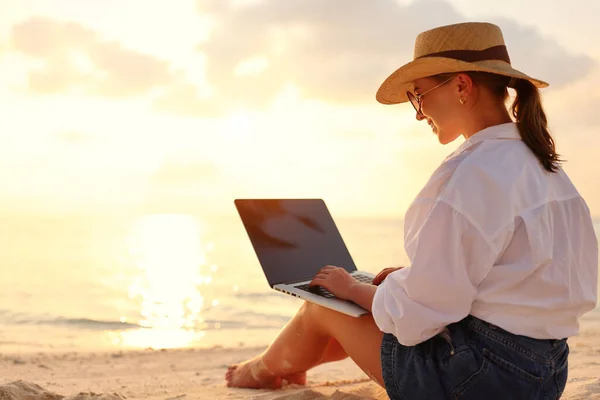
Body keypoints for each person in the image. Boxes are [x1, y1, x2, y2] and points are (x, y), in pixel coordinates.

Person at [225, 22, 599, 399]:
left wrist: (355, 290)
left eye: (419, 95)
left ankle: (256, 372)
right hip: (546, 373)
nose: (419, 113)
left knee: (324, 306)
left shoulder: (467, 175)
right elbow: (522, 276)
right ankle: (287, 364)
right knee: (370, 299)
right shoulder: (546, 168)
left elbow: (418, 320)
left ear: (461, 86)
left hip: (476, 379)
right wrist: (408, 280)